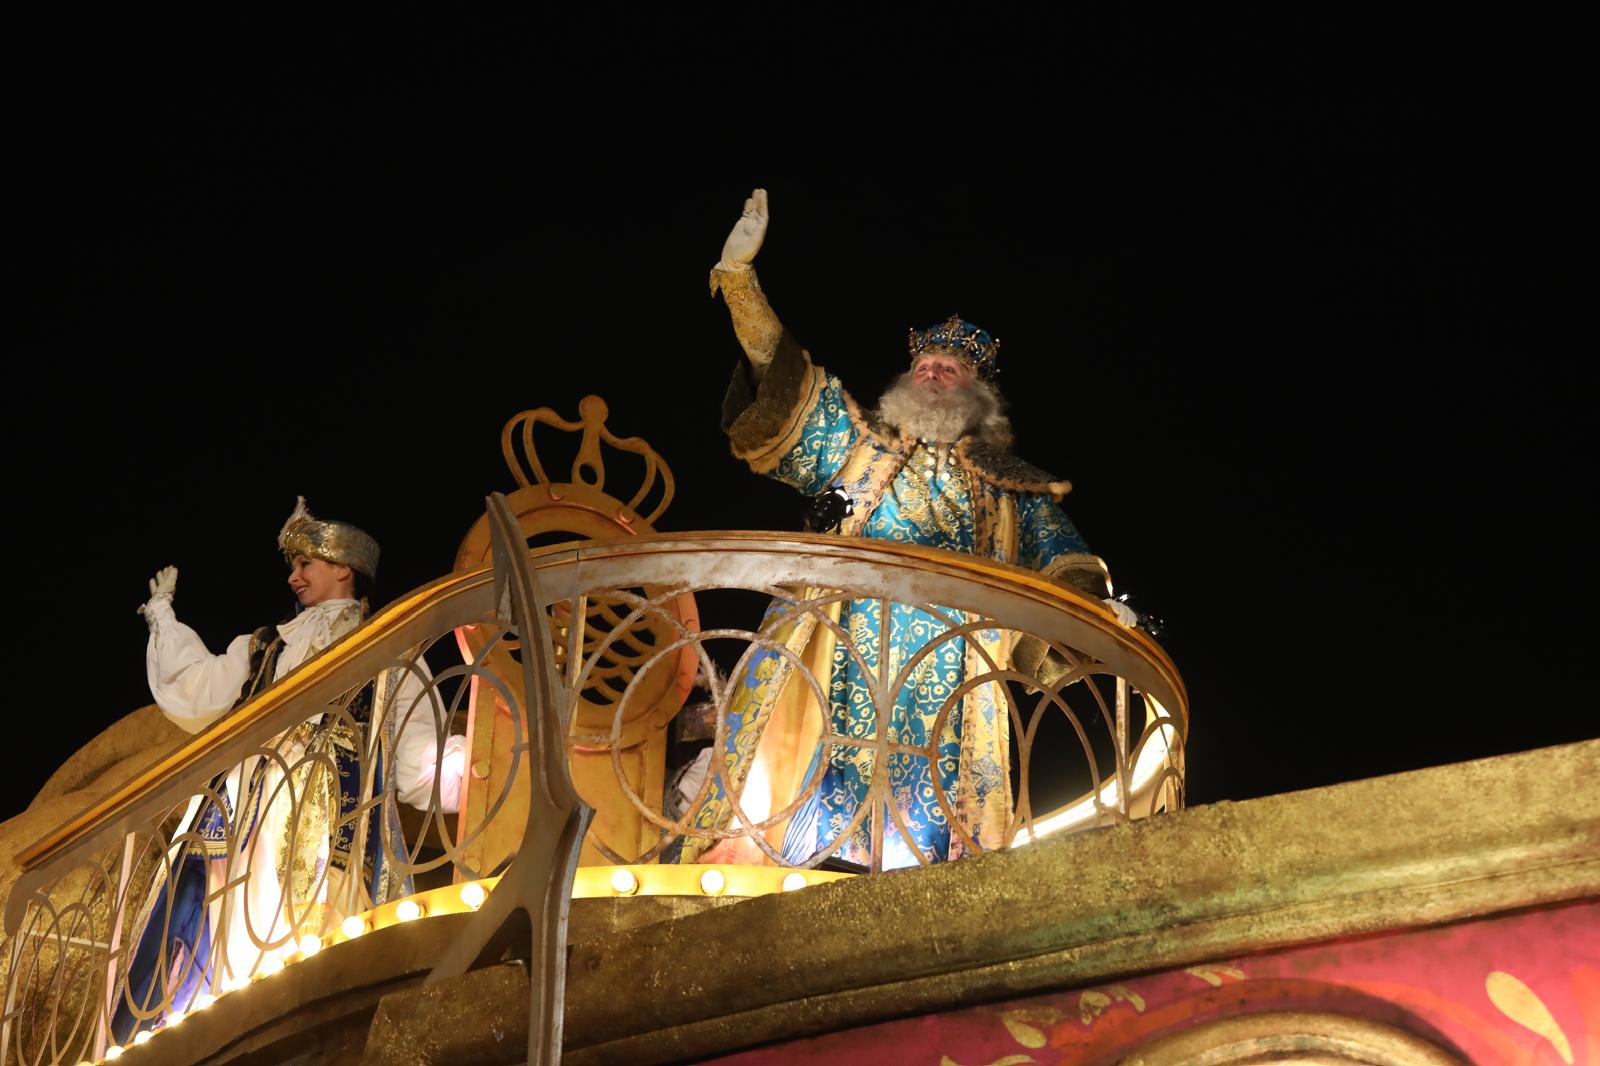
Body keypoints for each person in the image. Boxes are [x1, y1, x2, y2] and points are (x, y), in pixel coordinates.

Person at [687, 189, 1137, 870]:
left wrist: (1102, 612)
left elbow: (1063, 564)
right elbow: (783, 382)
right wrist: (743, 283)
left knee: (940, 841)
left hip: (955, 664)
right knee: (794, 797)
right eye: (924, 366)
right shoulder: (860, 447)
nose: (931, 374)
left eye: (948, 371)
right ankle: (790, 855)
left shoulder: (1011, 489)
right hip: (841, 646)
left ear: (975, 395)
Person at [112, 499, 465, 1040]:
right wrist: (162, 616)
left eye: (305, 565)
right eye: (293, 566)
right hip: (244, 806)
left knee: (306, 934)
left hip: (329, 813)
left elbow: (420, 758)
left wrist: (476, 764)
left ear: (342, 568)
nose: (293, 577)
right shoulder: (268, 646)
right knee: (222, 917)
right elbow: (200, 685)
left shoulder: (389, 647)